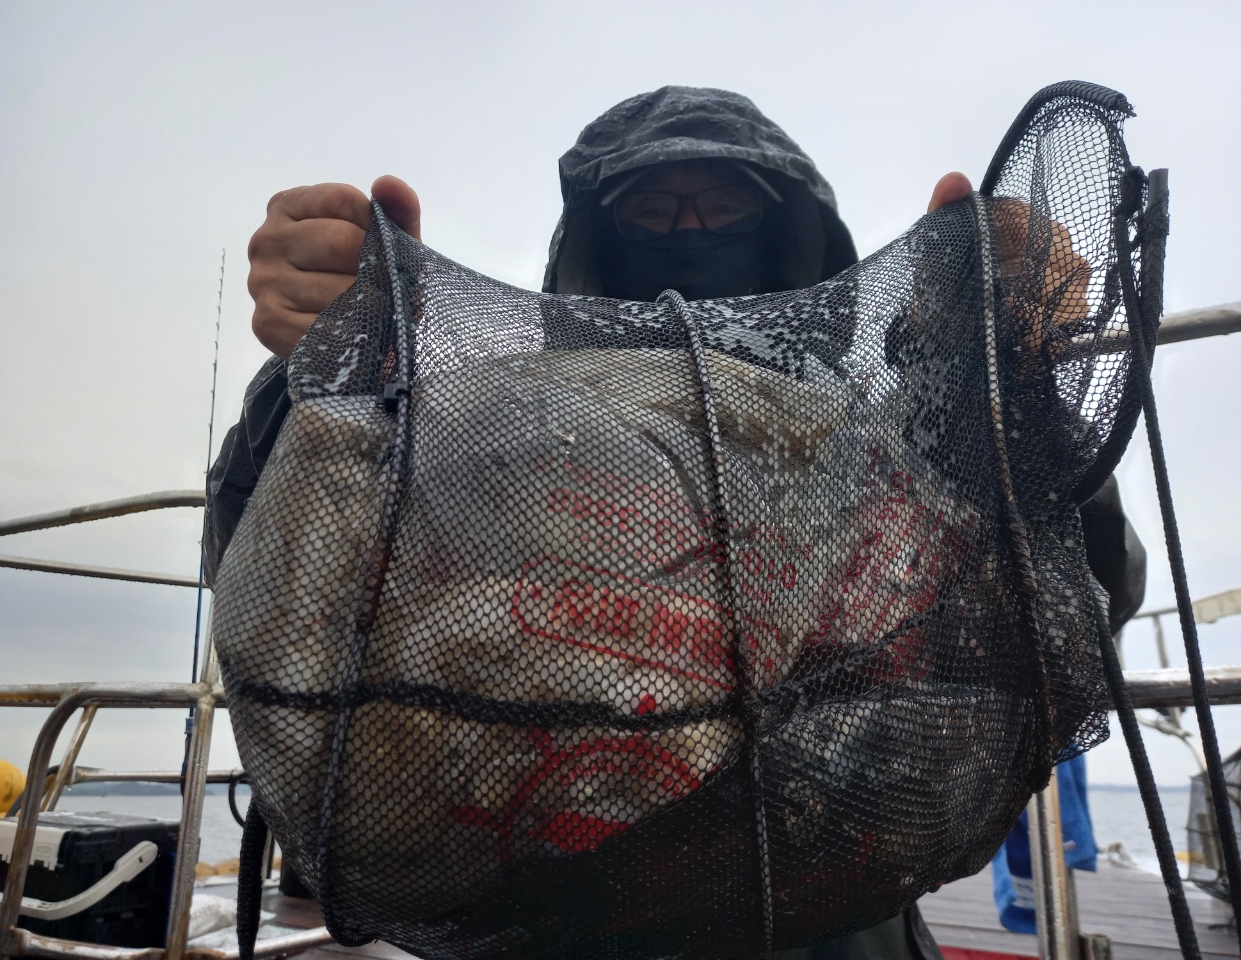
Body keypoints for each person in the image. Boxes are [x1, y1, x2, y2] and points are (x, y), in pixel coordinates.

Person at [206, 86, 1145, 959]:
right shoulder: (487, 430)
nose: (688, 233)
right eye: (650, 212)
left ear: (795, 237)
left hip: (842, 931)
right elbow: (262, 584)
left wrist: (1006, 381)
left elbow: (1095, 598)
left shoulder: (889, 432)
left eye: (728, 206)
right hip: (551, 920)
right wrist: (317, 378)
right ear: (595, 246)